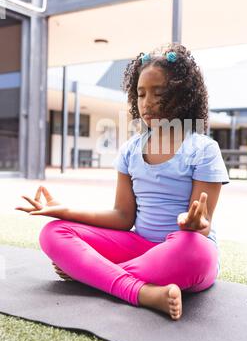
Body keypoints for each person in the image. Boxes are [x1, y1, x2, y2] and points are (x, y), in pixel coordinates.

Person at [15, 43, 229, 321]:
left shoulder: (204, 149)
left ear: (183, 96)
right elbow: (122, 216)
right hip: (140, 245)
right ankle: (142, 292)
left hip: (183, 249)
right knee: (54, 232)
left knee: (198, 251)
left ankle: (92, 275)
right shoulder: (130, 150)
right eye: (140, 94)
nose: (146, 102)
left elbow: (202, 226)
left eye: (158, 93)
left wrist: (196, 225)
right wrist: (63, 211)